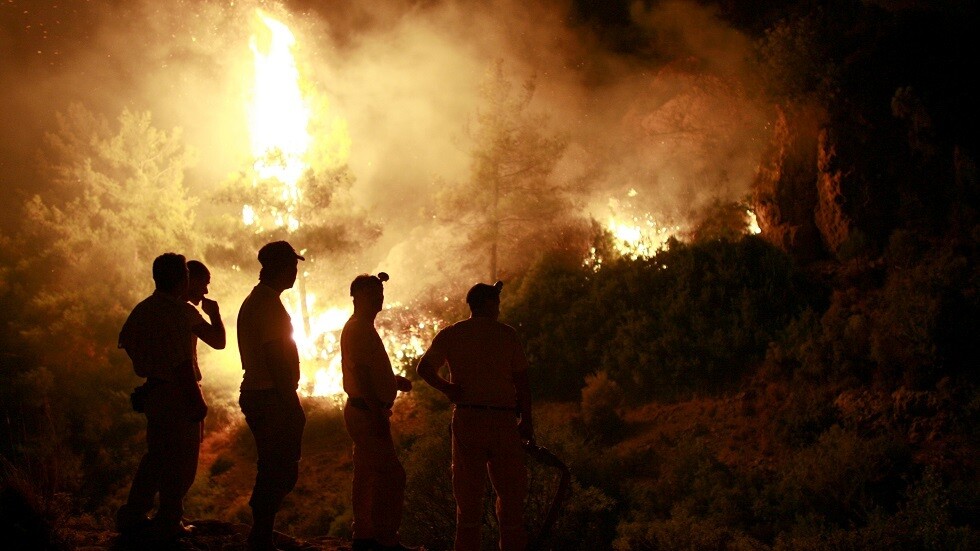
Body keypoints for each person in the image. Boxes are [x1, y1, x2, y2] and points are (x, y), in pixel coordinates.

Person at [416, 281, 534, 551]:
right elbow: (523, 383)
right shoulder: (507, 335)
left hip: (468, 419)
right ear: (490, 304)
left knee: (468, 502)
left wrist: (448, 389)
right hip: (503, 421)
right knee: (512, 500)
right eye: (497, 303)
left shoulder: (453, 334)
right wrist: (526, 422)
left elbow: (424, 368)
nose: (500, 308)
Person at [116, 252, 225, 540]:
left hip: (154, 391)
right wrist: (196, 401)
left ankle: (134, 513)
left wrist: (151, 371)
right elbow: (182, 363)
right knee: (182, 460)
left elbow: (126, 342)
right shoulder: (180, 314)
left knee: (156, 456)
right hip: (179, 393)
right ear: (183, 279)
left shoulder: (143, 310)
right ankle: (169, 519)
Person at [237, 241, 307, 551]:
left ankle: (260, 533)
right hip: (270, 396)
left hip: (262, 393)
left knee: (274, 465)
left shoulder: (260, 301)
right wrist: (291, 402)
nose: (295, 273)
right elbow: (275, 356)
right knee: (279, 466)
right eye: (292, 267)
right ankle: (260, 535)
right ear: (279, 269)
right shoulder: (267, 306)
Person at [341, 272, 418, 551]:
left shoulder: (360, 327)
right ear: (358, 296)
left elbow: (365, 370)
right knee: (391, 475)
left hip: (360, 409)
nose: (379, 298)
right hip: (366, 412)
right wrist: (377, 415)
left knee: (365, 474)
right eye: (373, 293)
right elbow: (361, 374)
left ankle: (363, 535)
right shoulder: (360, 328)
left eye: (381, 293)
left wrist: (391, 381)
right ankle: (386, 539)